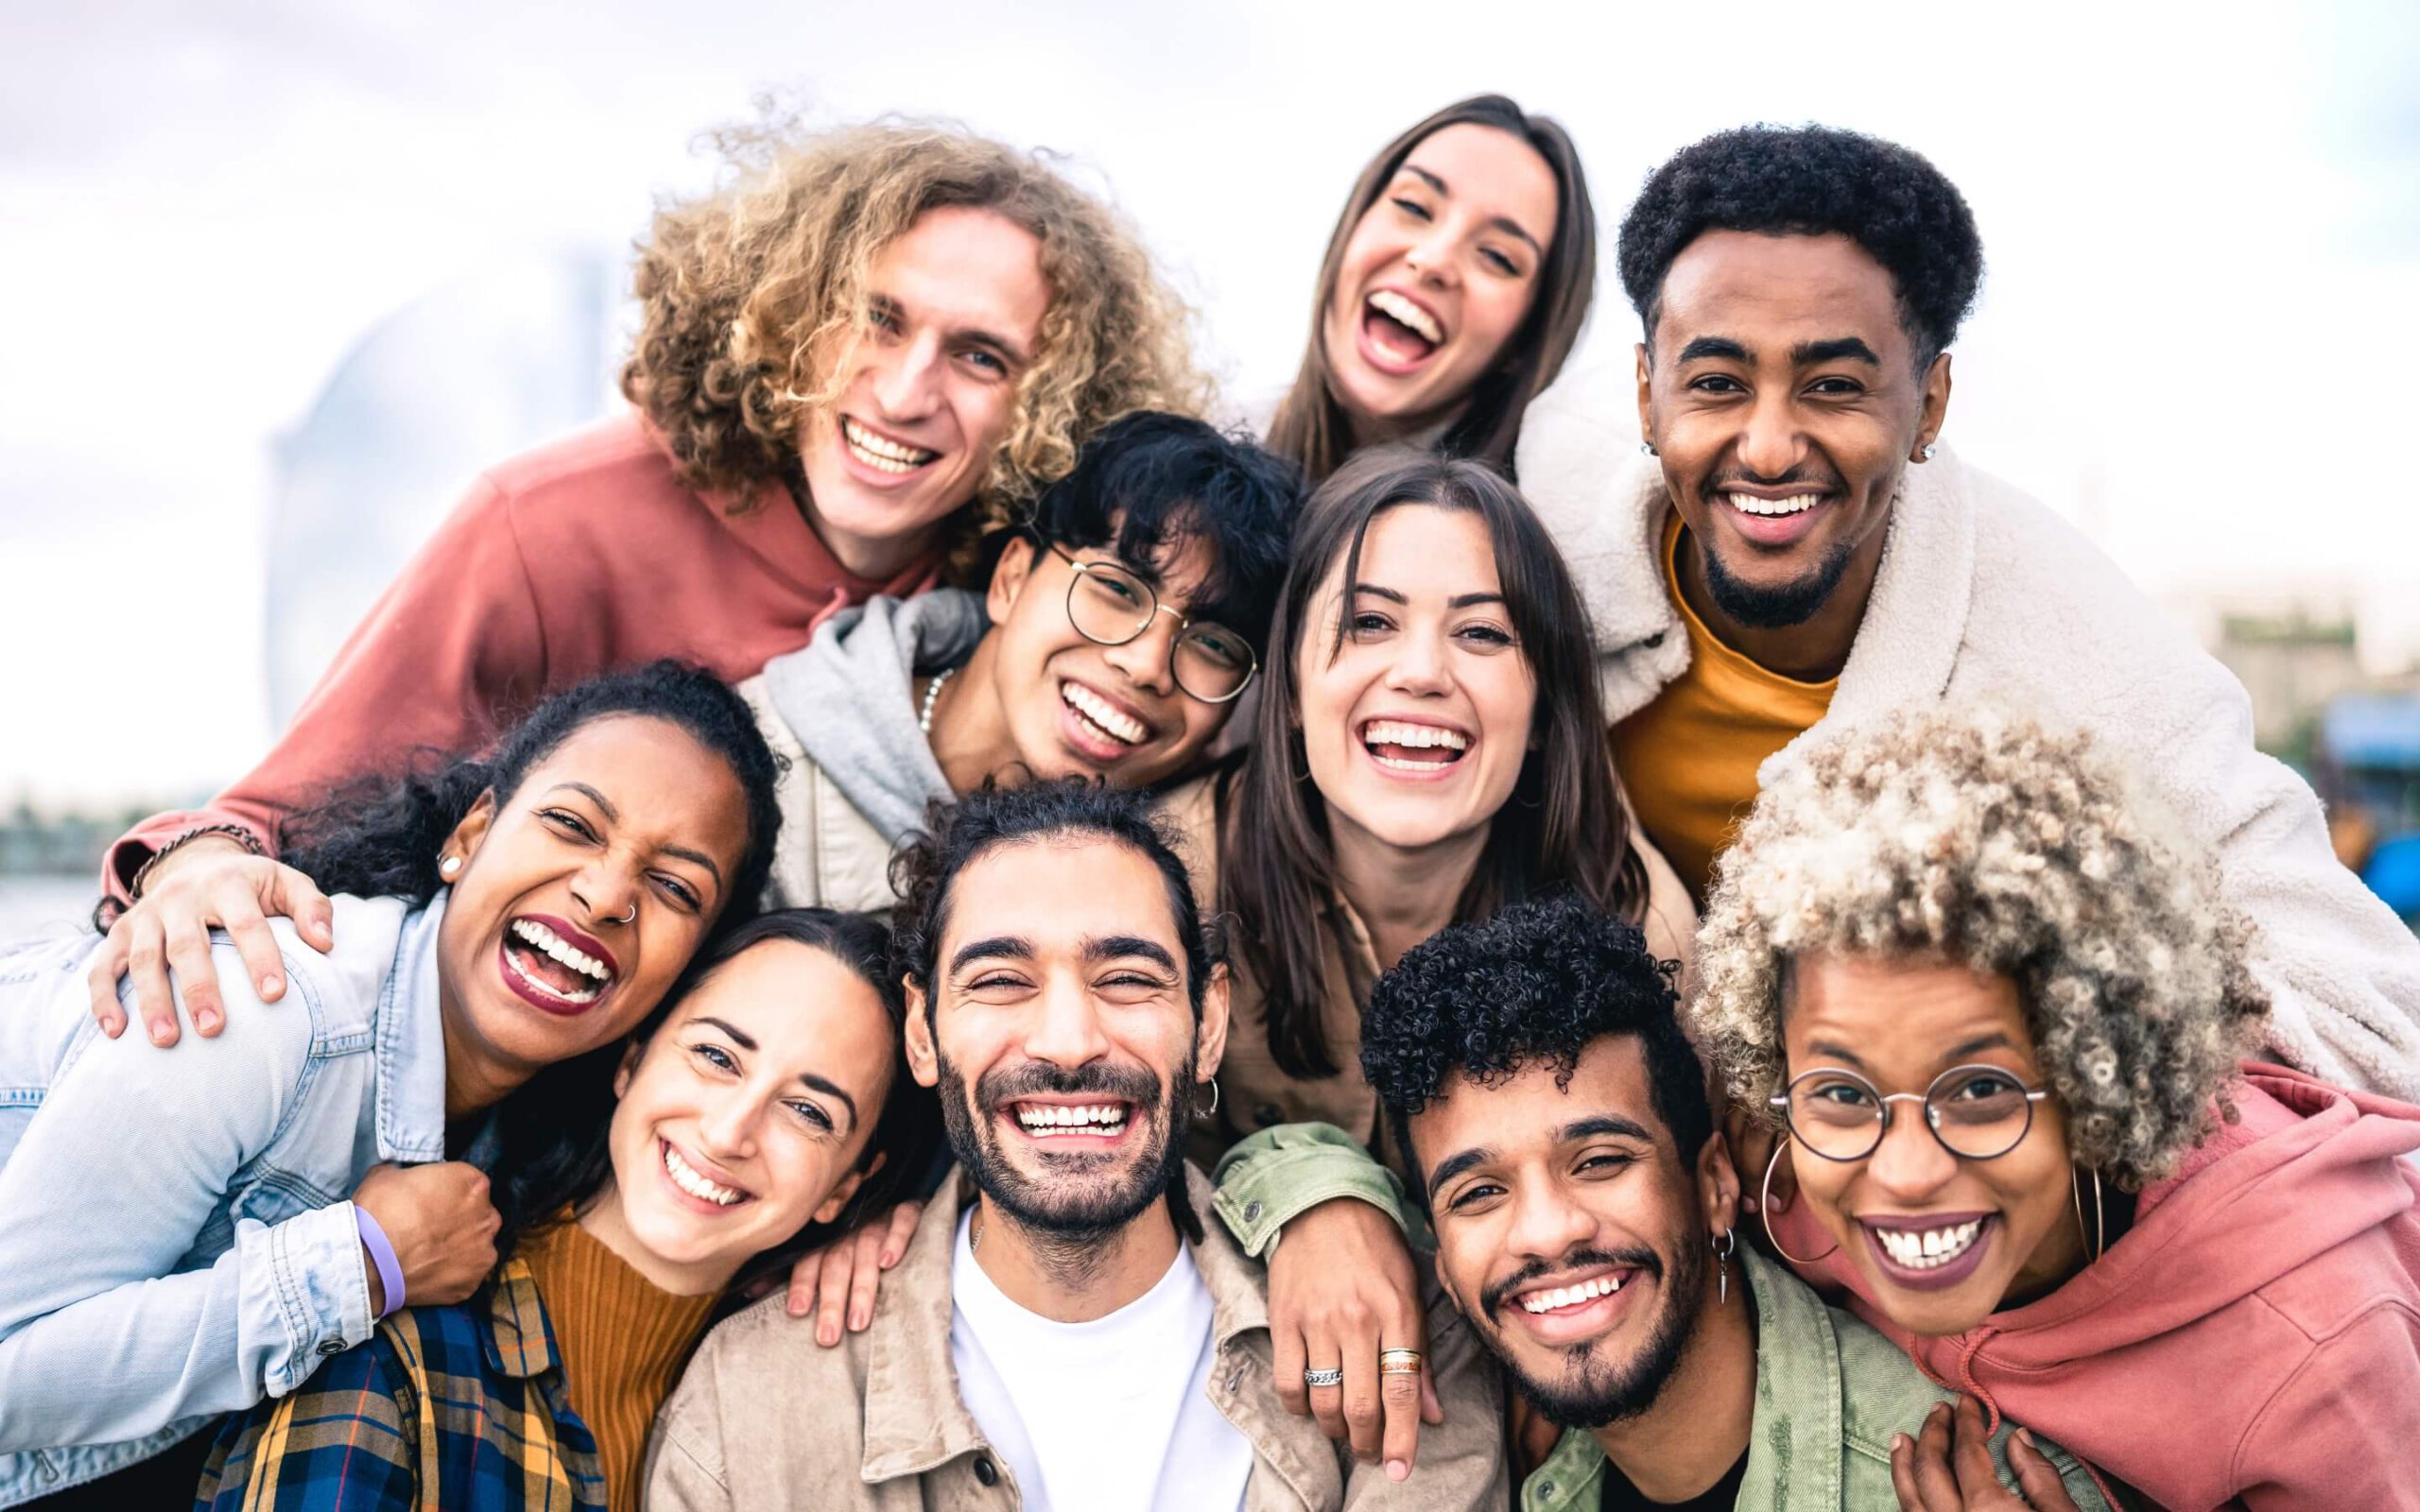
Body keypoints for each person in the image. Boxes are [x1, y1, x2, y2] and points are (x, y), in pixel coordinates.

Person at [89, 118, 1202, 1052]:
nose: (907, 391)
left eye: (981, 356)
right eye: (876, 317)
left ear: (1047, 403)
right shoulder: (552, 522)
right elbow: (280, 817)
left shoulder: (1015, 593)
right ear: (786, 312)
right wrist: (193, 867)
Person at [1509, 123, 2420, 1099]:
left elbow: (2373, 1009)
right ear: (1647, 392)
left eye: (1833, 387)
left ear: (1930, 403)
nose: (1768, 446)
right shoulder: (1549, 491)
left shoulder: (2074, 648)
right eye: (1717, 384)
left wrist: (2037, 1012)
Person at [0, 663, 780, 1506]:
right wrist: (362, 1265)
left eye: (674, 887)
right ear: (470, 835)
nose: (604, 894)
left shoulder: (519, 1135)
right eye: (571, 824)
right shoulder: (265, 1006)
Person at [648, 781, 1507, 1509]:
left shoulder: (1400, 1338)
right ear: (922, 1030)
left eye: (1127, 979)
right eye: (999, 982)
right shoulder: (749, 1403)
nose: (1066, 1042)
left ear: (1207, 1024)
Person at [1691, 707, 2420, 1510]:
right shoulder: (1789, 1193)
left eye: (1979, 1091)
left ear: (2097, 1079)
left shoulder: (2314, 1347)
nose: (1902, 1173)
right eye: (1842, 1091)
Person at [1173, 448, 1696, 1468]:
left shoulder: (1634, 924)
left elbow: (1693, 1212)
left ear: (1545, 711)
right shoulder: (1168, 883)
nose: (1419, 670)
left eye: (1481, 633)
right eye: (1369, 622)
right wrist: (1304, 1190)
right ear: (1286, 688)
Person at [1360, 893, 2109, 1511]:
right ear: (1446, 1268)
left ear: (1716, 1186)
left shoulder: (1980, 1482)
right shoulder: (1485, 1432)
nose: (1548, 1232)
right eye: (1480, 1193)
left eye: (1599, 1161)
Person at [196, 908, 941, 1511]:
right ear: (632, 1059)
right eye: (715, 1056)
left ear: (846, 1187)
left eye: (808, 1111)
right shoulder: (394, 1358)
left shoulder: (803, 1405)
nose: (728, 1132)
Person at [738, 409, 1298, 911]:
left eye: (1214, 644)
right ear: (1009, 579)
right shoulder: (750, 774)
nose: (1147, 664)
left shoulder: (1187, 891)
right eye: (1117, 589)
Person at [1262, 94, 1593, 485]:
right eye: (1414, 207)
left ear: (1523, 342)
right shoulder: (1204, 442)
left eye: (1497, 256)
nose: (1434, 260)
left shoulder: (1545, 524)